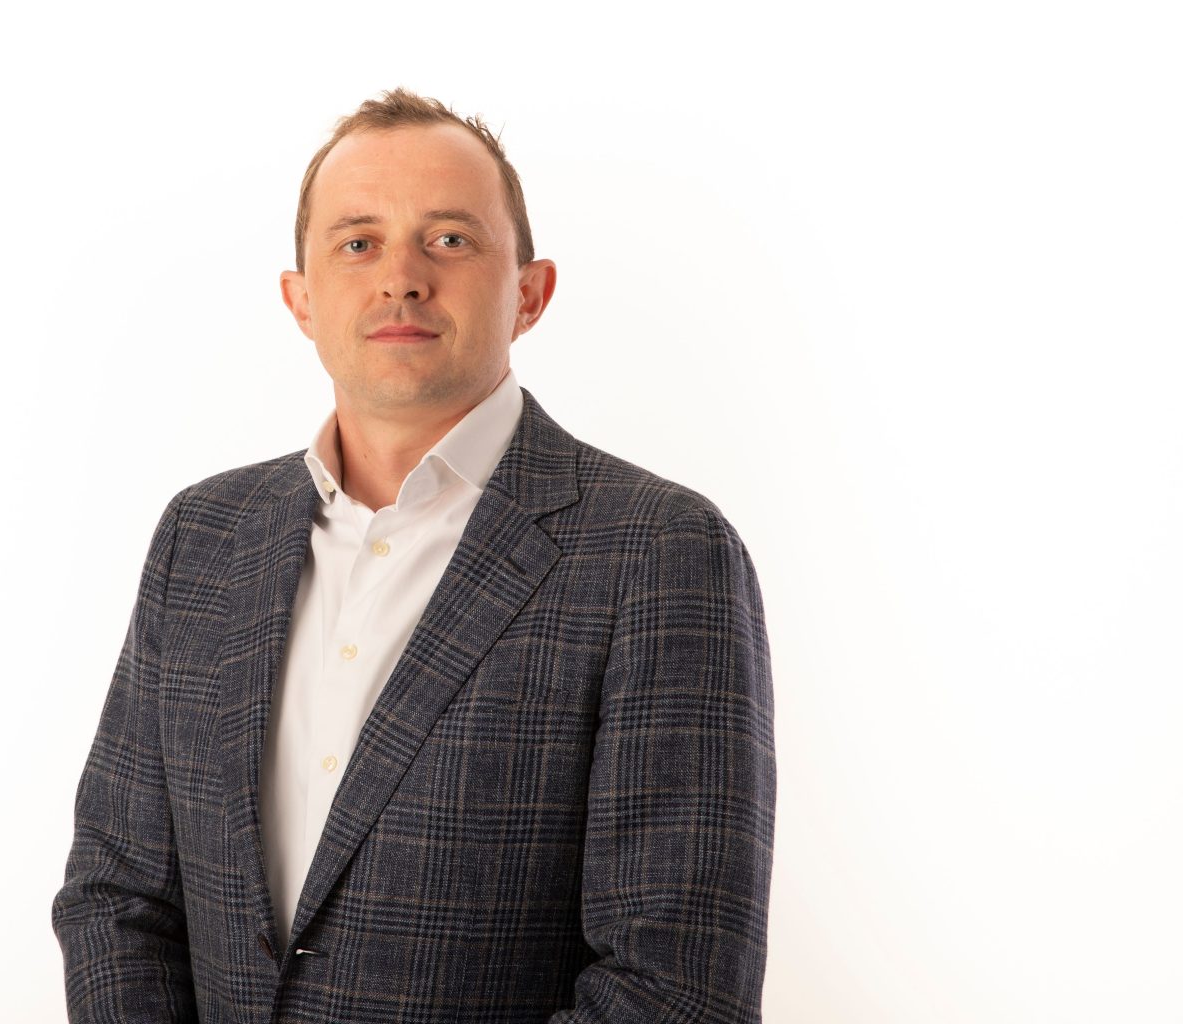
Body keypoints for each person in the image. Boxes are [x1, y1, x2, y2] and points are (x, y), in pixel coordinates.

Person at [52, 87, 776, 1023]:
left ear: (529, 294)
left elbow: (675, 990)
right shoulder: (203, 536)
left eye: (449, 239)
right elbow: (116, 895)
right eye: (358, 243)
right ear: (301, 300)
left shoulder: (660, 554)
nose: (400, 277)